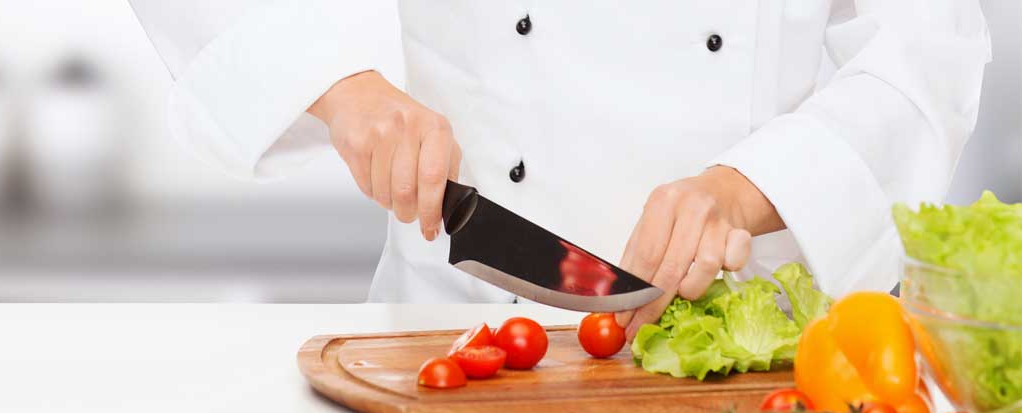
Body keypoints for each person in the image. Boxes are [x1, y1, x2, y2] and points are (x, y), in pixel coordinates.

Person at [129, 1, 991, 335]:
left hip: (740, 345)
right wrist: (341, 89)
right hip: (456, 341)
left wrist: (751, 187)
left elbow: (928, 48)